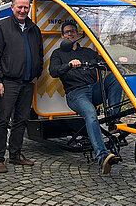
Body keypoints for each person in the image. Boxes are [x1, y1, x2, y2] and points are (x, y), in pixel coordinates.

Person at [49, 22, 123, 174]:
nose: (70, 34)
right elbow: (54, 72)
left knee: (117, 76)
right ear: (62, 36)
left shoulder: (87, 52)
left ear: (77, 34)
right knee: (91, 114)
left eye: (73, 32)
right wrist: (69, 65)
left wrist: (117, 61)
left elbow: (105, 62)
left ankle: (113, 119)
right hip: (75, 94)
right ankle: (102, 156)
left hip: (93, 88)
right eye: (67, 32)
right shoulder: (58, 54)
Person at [0, 0, 44, 173]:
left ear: (29, 8)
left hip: (28, 82)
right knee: (3, 120)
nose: (22, 10)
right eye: (19, 7)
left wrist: (36, 73)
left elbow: (40, 54)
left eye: (25, 7)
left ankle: (15, 154)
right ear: (12, 7)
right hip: (8, 82)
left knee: (21, 120)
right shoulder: (2, 27)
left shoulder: (34, 29)